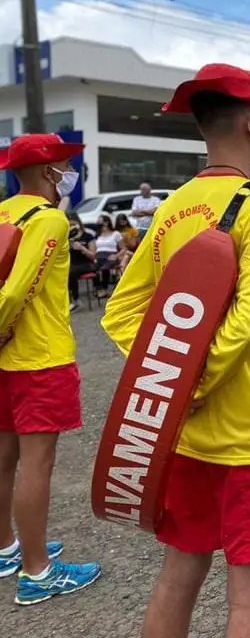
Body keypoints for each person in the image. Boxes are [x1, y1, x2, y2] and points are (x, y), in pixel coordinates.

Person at [101, 63, 250, 638]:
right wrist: (193, 380)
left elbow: (119, 311)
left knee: (177, 576)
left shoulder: (172, 207)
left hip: (186, 438)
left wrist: (167, 380)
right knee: (248, 601)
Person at [0, 133, 101, 605]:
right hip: (39, 357)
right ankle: (38, 572)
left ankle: (7, 548)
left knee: (4, 459)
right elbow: (18, 291)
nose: (68, 172)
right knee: (36, 465)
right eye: (65, 164)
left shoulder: (2, 212)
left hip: (6, 362)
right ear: (48, 172)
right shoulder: (49, 219)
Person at [66, 212, 97, 313]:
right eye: (69, 225)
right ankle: (68, 301)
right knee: (65, 272)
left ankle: (75, 300)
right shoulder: (67, 238)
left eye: (73, 224)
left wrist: (82, 248)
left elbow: (93, 255)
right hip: (72, 265)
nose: (71, 227)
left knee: (71, 272)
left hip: (87, 264)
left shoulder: (88, 236)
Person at [93, 214, 124, 297]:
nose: (98, 223)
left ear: (106, 222)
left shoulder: (115, 234)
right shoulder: (97, 235)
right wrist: (94, 257)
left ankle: (105, 288)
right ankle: (99, 289)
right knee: (92, 269)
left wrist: (116, 256)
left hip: (111, 255)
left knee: (105, 268)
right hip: (99, 256)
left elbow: (124, 248)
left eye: (100, 221)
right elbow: (95, 248)